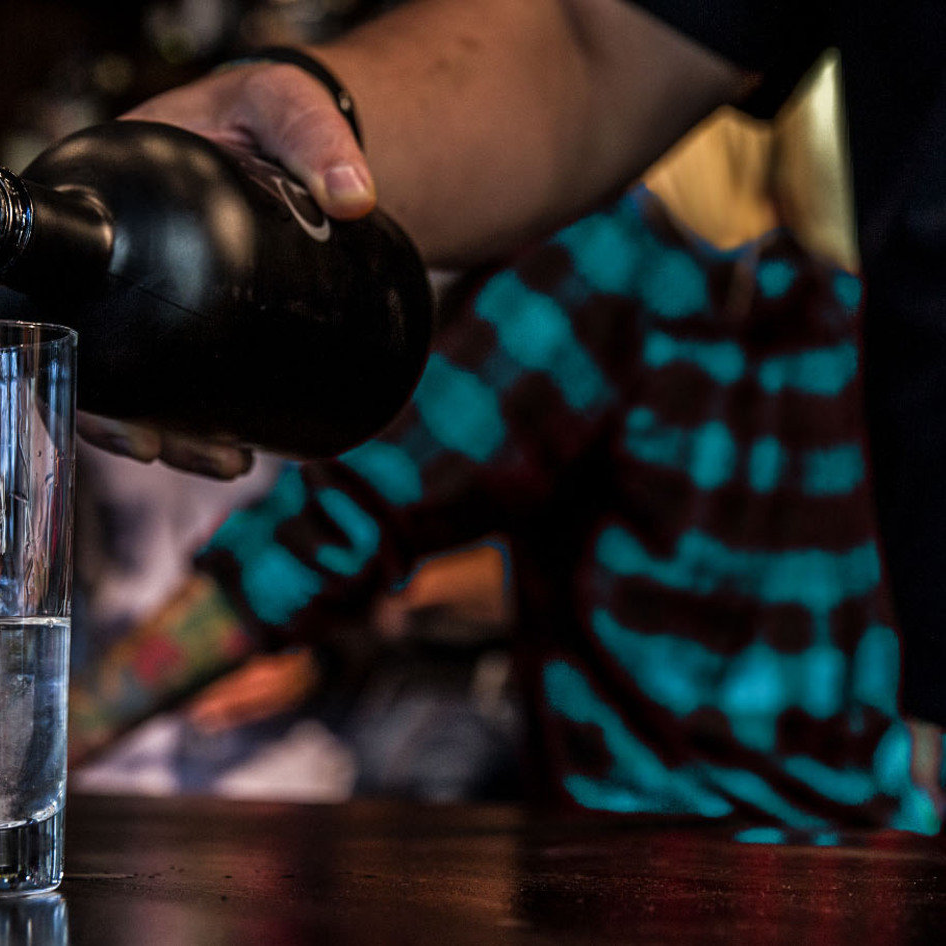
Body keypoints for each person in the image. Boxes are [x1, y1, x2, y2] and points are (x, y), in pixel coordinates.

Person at [74, 0, 946, 811]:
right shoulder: (842, 294)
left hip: (663, 863)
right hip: (868, 838)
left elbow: (342, 519)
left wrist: (66, 730)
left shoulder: (607, 268)